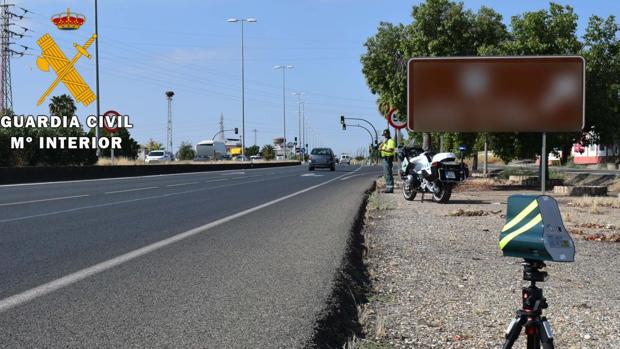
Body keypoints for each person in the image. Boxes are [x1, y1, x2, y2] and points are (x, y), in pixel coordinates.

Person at [379, 128, 396, 193]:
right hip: (385, 159)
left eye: (386, 134)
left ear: (389, 134)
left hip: (388, 159)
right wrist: (383, 142)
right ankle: (388, 187)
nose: (385, 136)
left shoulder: (391, 141)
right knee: (386, 174)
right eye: (384, 135)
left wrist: (382, 150)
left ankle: (390, 189)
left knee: (388, 174)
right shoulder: (386, 141)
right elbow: (379, 147)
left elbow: (391, 150)